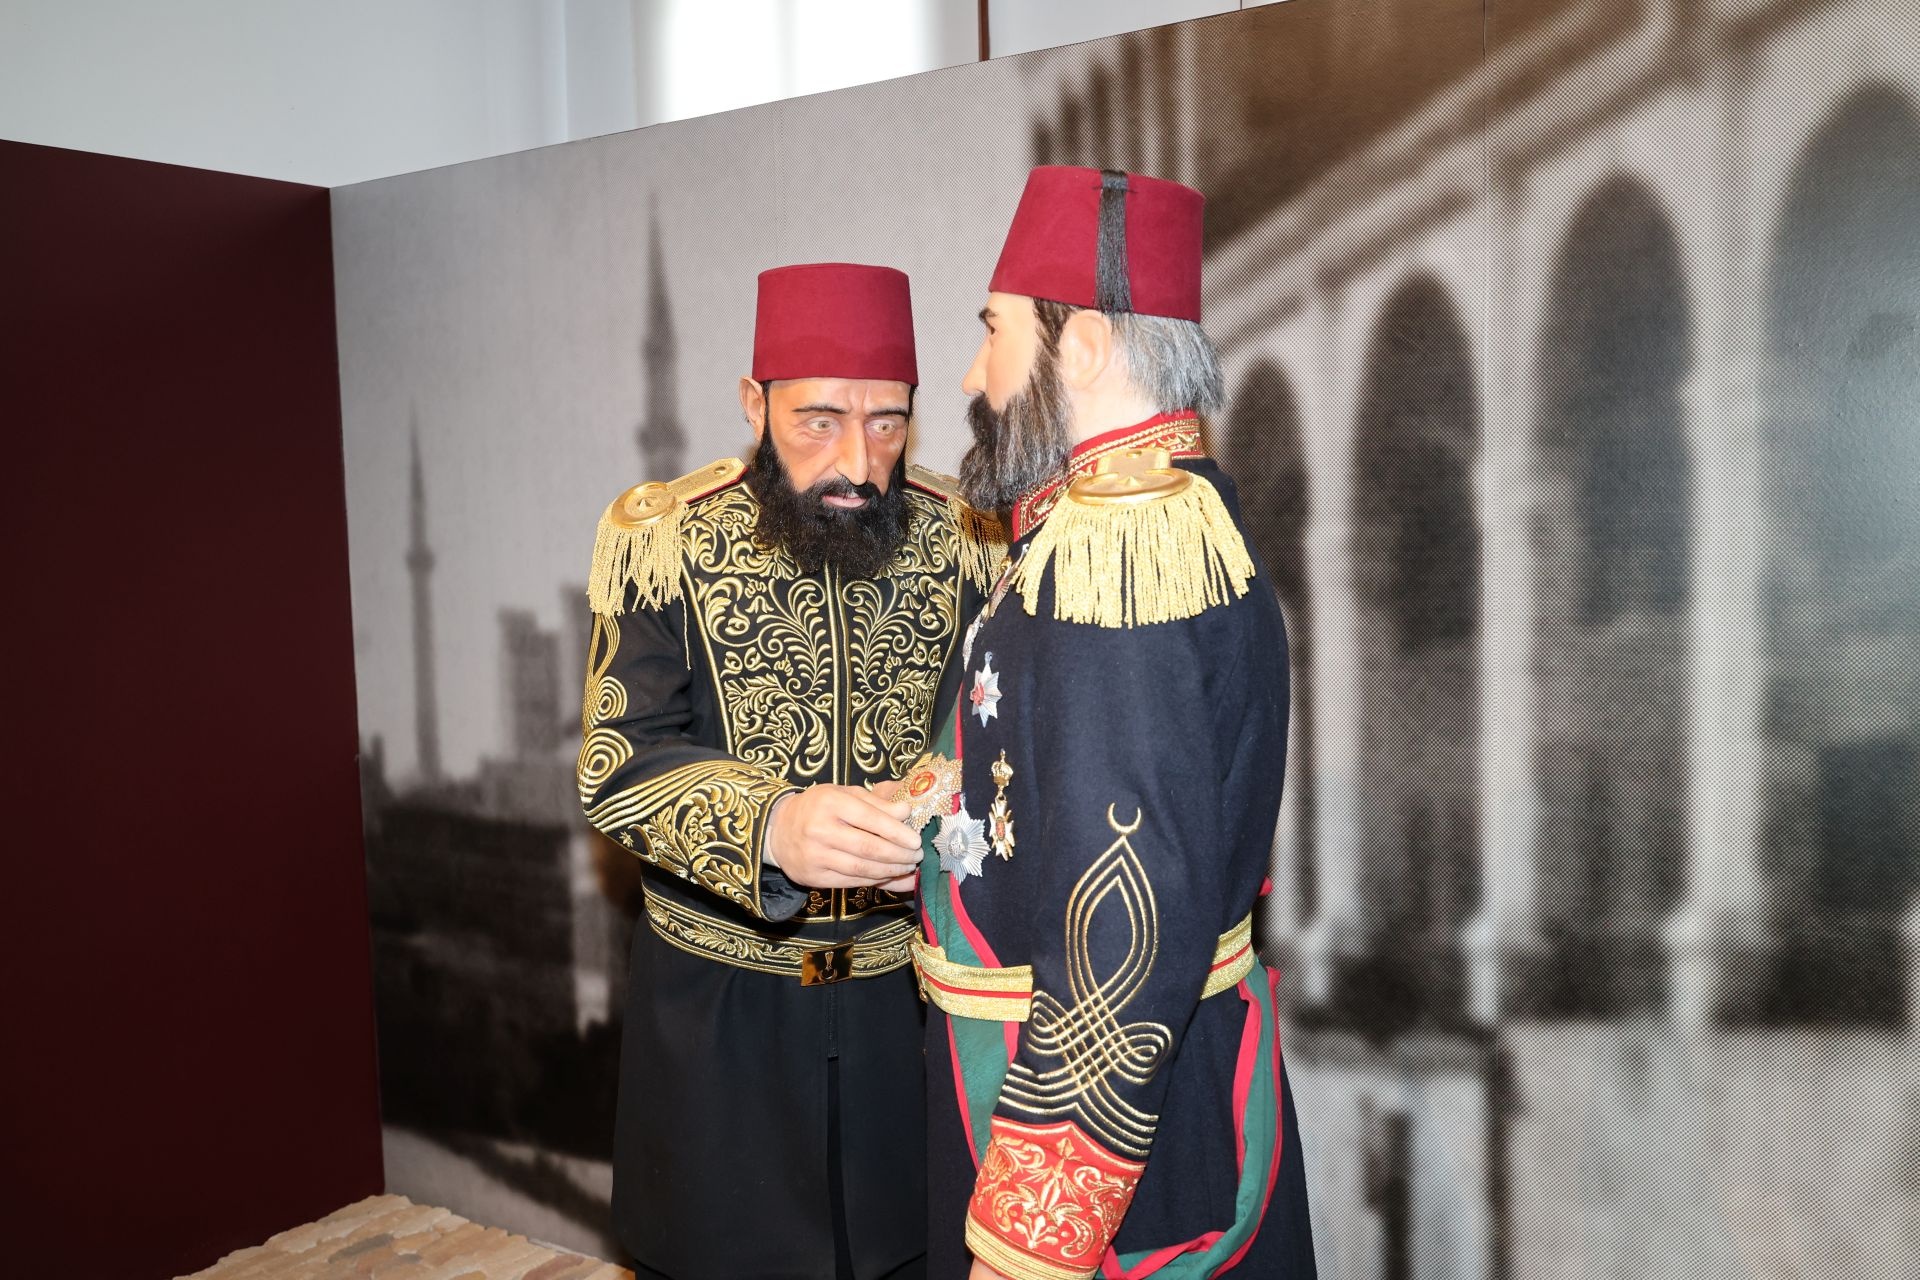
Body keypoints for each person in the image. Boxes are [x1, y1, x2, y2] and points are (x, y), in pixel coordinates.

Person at [909, 168, 1317, 1279]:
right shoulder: (1168, 518)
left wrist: (1030, 1240)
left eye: (993, 334)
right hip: (1123, 1094)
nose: (971, 376)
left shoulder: (1116, 559)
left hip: (1094, 1142)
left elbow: (1119, 940)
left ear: (1078, 344)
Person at [579, 261, 1001, 1280]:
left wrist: (937, 819)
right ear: (752, 403)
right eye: (819, 420)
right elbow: (614, 762)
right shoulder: (666, 537)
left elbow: (995, 750)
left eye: (889, 423)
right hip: (720, 1035)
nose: (858, 460)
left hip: (908, 1022)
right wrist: (771, 824)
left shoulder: (968, 540)